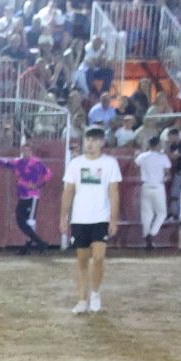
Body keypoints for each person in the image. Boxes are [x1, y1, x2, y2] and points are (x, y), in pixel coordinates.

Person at [60, 126, 123, 314]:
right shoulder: (75, 164)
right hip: (80, 218)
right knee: (82, 260)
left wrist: (113, 219)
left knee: (98, 258)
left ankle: (95, 293)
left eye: (95, 140)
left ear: (102, 142)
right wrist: (63, 216)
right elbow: (68, 191)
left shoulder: (110, 164)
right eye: (88, 140)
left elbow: (113, 193)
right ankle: (82, 299)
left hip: (100, 218)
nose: (90, 144)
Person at [0, 143, 53, 253]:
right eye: (24, 150)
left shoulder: (37, 163)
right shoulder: (18, 162)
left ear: (31, 151)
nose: (25, 152)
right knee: (21, 221)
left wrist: (37, 185)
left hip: (33, 197)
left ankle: (30, 246)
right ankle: (39, 243)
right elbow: (4, 163)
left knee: (29, 222)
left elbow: (48, 175)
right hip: (23, 196)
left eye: (28, 150)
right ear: (22, 151)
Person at [133, 135, 172, 251]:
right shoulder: (162, 157)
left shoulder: (142, 156)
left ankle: (147, 237)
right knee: (161, 213)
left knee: (146, 214)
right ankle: (152, 233)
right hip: (158, 186)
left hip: (146, 186)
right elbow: (167, 172)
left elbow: (136, 165)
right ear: (158, 145)